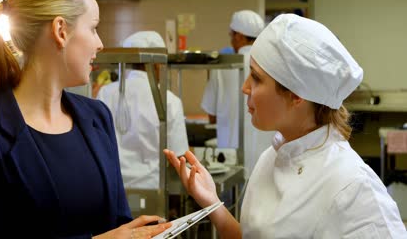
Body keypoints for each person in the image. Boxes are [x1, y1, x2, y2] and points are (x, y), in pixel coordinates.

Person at [0, 0, 171, 238]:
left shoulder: (97, 117)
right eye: (93, 28)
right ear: (61, 31)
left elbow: (118, 223)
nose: (99, 43)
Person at [165, 14, 407, 238]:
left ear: (296, 95)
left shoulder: (353, 188)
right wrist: (211, 202)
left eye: (257, 78)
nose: (245, 87)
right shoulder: (271, 158)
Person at [97, 31, 189, 189]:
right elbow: (179, 156)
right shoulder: (170, 101)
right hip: (153, 187)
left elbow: (98, 145)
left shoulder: (105, 93)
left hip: (113, 187)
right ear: (158, 63)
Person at [201, 10, 274, 175]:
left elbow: (212, 116)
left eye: (232, 35)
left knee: (230, 200)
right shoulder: (270, 65)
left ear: (239, 36)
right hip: (265, 158)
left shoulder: (222, 67)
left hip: (230, 159)